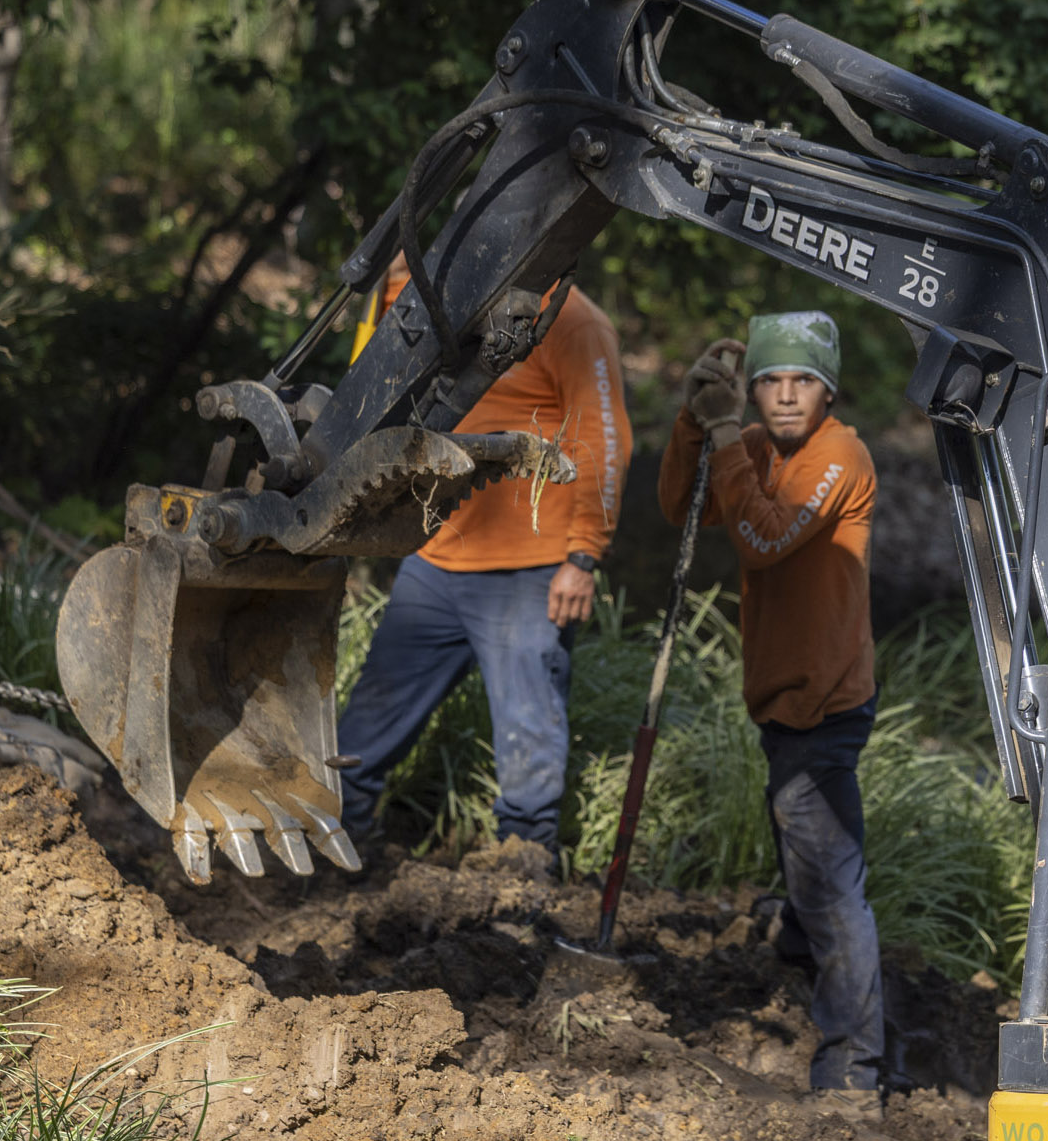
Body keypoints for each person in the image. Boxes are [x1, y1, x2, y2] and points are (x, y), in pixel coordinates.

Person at [658, 311, 885, 1093]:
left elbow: (759, 538)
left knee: (830, 886)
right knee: (810, 863)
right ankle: (795, 956)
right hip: (780, 695)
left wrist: (724, 437)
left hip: (823, 701)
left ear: (828, 390)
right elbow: (676, 506)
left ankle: (852, 1070)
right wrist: (695, 423)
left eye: (802, 381)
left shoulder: (840, 454)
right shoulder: (751, 447)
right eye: (768, 382)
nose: (785, 396)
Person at [335, 277, 629, 864]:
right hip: (436, 555)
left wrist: (582, 555)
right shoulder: (443, 293)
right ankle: (336, 833)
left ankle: (521, 865)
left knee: (528, 726)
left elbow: (604, 437)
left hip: (531, 567)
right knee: (377, 708)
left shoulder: (573, 319)